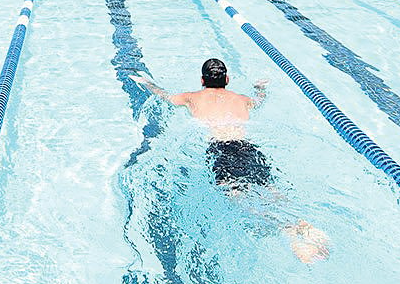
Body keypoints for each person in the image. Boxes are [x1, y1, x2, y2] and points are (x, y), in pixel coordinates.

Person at [133, 60, 329, 264]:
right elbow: (259, 100)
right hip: (249, 148)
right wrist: (259, 87)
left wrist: (146, 82)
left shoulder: (191, 98)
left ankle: (288, 231)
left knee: (239, 197)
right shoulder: (242, 99)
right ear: (227, 80)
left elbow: (164, 96)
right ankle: (303, 224)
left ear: (202, 80)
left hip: (221, 149)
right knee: (270, 189)